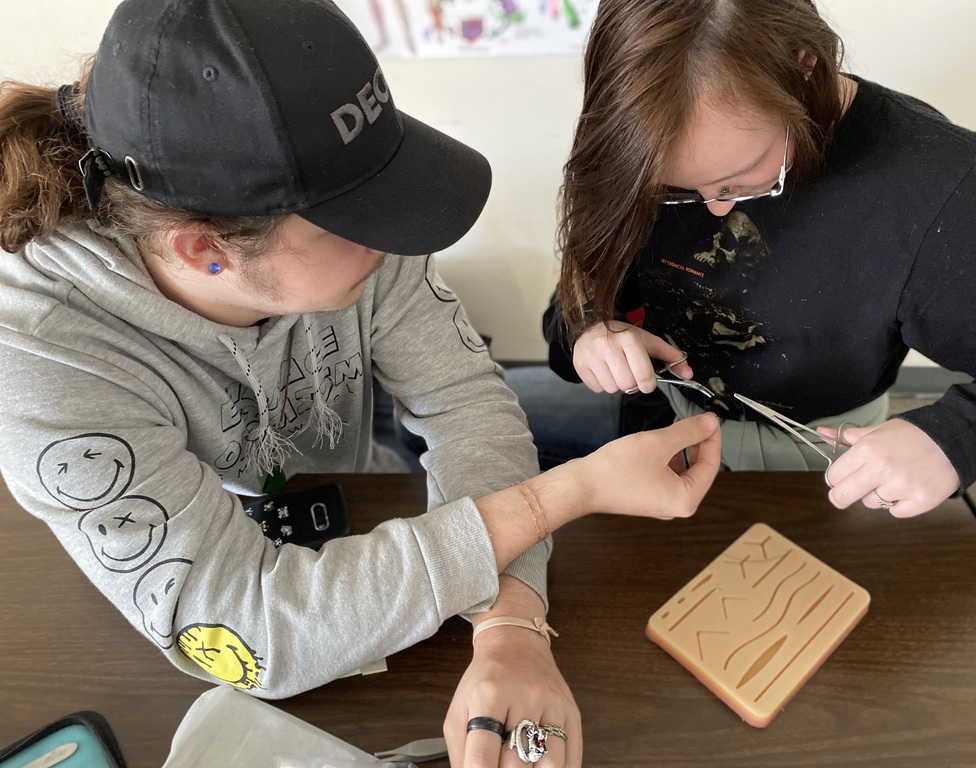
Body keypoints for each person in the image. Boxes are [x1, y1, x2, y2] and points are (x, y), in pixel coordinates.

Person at [0, 1, 723, 767]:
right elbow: (249, 631)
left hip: (361, 508)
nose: (401, 233)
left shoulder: (348, 217)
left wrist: (513, 622)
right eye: (355, 220)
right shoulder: (40, 357)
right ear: (205, 249)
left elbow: (466, 404)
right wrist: (565, 494)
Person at [545, 0, 976, 520]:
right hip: (661, 437)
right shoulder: (636, 150)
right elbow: (572, 311)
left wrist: (957, 437)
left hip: (832, 465)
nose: (717, 208)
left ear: (804, 65)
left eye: (744, 176)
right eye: (676, 188)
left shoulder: (938, 190)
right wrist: (591, 335)